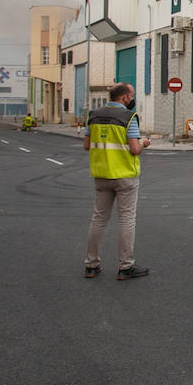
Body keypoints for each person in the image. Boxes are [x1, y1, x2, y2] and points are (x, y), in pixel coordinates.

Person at [82, 83, 151, 280]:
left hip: (101, 175)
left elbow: (87, 145)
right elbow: (135, 149)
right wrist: (144, 143)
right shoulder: (128, 118)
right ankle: (125, 266)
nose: (132, 99)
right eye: (132, 95)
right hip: (124, 175)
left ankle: (91, 264)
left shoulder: (93, 115)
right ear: (124, 98)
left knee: (98, 219)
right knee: (126, 219)